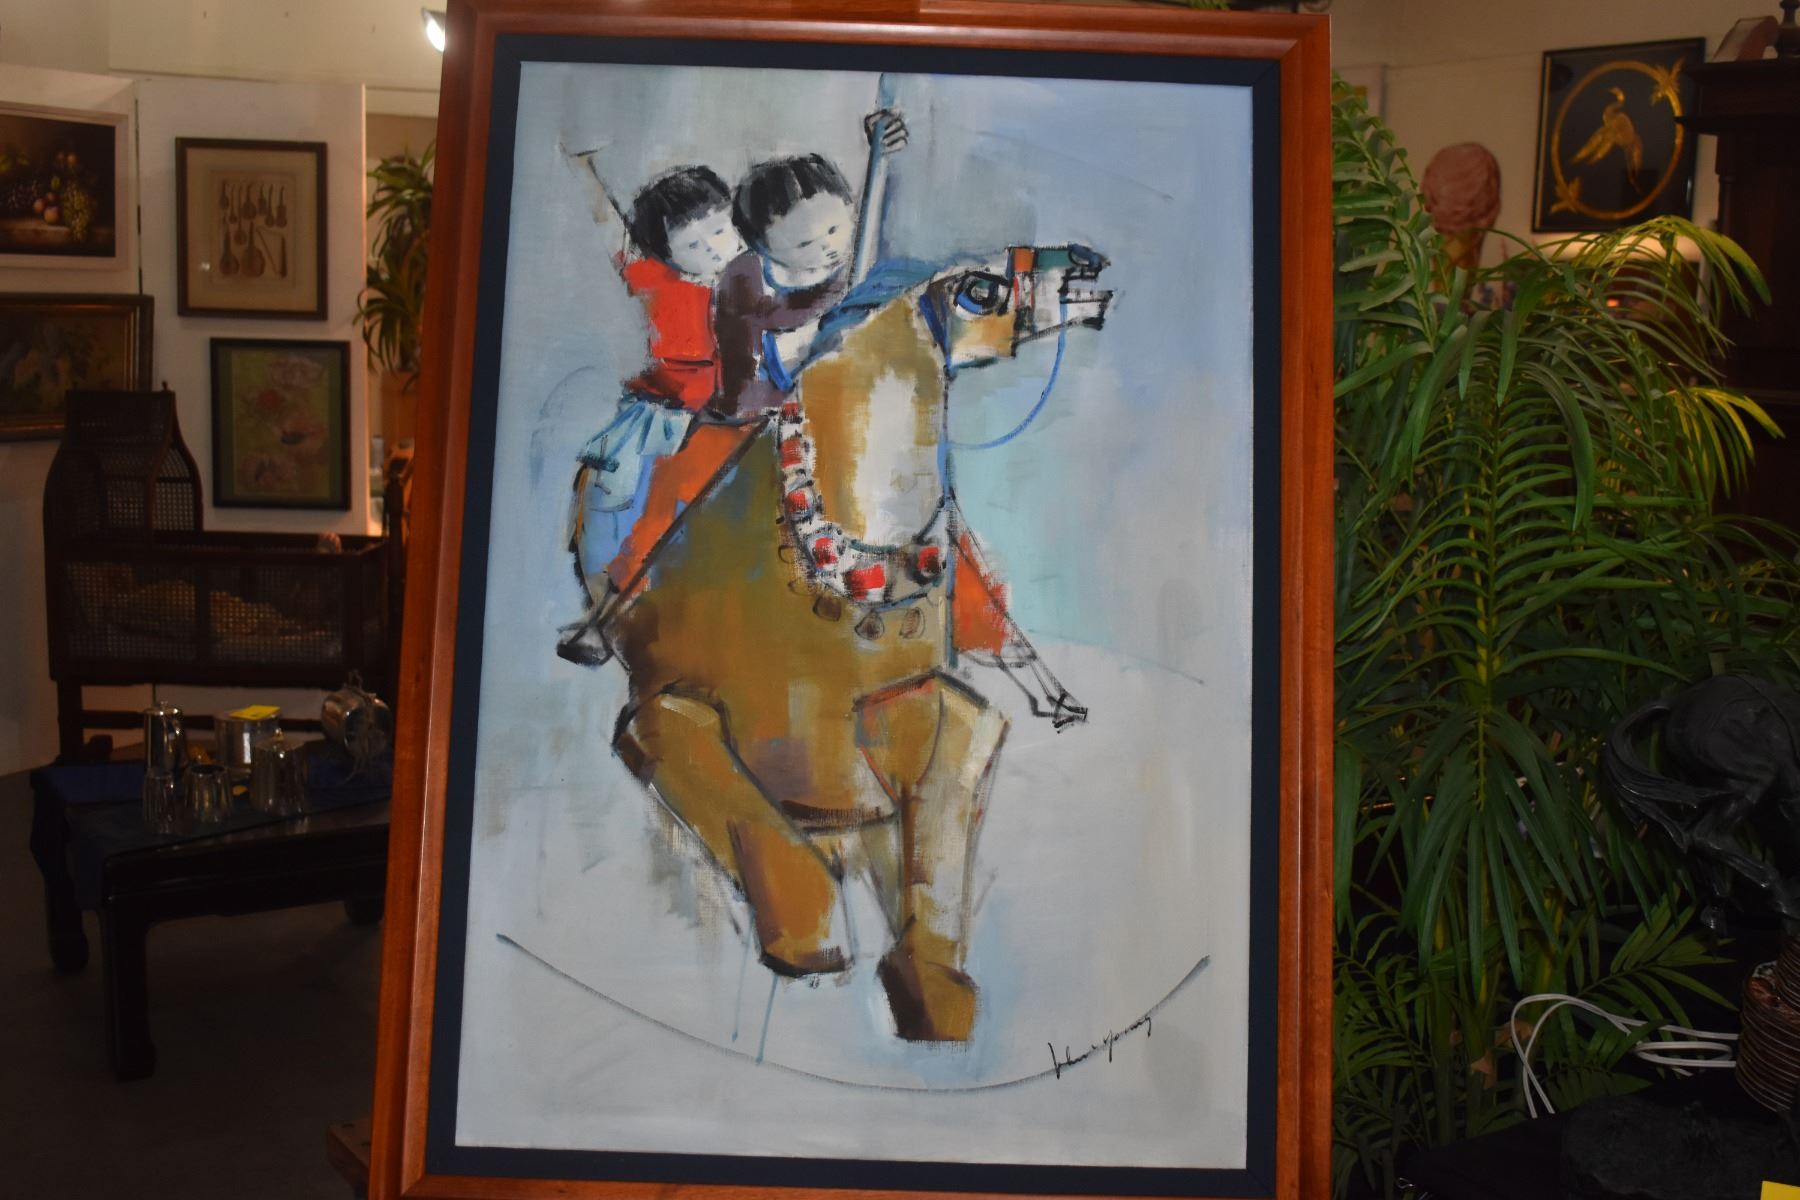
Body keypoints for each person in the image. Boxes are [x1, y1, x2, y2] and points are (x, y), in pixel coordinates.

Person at [556, 163, 744, 665]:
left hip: (729, 423)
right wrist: (585, 167)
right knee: (612, 498)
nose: (712, 248)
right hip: (656, 419)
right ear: (666, 253)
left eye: (720, 231)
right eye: (692, 244)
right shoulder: (659, 283)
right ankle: (609, 614)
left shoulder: (760, 285)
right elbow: (612, 232)